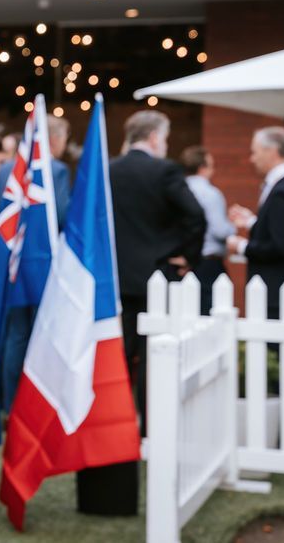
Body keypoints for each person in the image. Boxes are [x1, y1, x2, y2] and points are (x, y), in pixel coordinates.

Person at [79, 109, 204, 516]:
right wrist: (183, 256)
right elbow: (196, 216)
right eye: (164, 140)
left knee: (115, 363)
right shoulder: (165, 172)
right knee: (156, 361)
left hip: (111, 284)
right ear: (154, 138)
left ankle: (116, 435)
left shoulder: (106, 170)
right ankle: (151, 432)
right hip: (155, 281)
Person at [227, 126, 284, 449]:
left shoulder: (283, 190)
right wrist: (253, 222)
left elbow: (280, 245)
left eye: (255, 151)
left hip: (281, 293)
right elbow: (279, 230)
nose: (251, 158)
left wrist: (241, 246)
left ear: (273, 150)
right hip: (283, 291)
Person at [0, 115, 72, 411]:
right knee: (42, 333)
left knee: (15, 335)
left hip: (12, 261)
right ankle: (37, 405)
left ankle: (11, 406)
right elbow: (61, 216)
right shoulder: (57, 170)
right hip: (41, 265)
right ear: (54, 138)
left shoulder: (6, 170)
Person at [181, 145, 235, 315]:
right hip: (208, 261)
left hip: (182, 261)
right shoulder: (210, 193)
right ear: (202, 168)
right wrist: (232, 226)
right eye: (211, 166)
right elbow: (220, 230)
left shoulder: (178, 191)